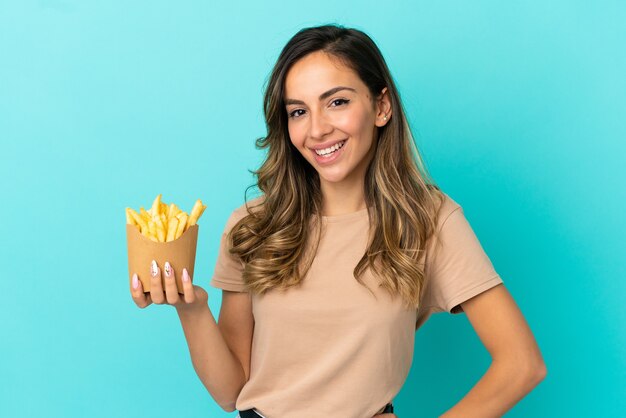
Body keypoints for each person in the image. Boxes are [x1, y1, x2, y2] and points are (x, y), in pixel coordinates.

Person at [130, 24, 547, 418]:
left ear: (381, 106)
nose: (317, 129)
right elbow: (230, 392)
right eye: (298, 111)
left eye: (337, 102)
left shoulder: (428, 219)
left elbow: (522, 364)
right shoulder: (252, 225)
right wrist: (192, 309)